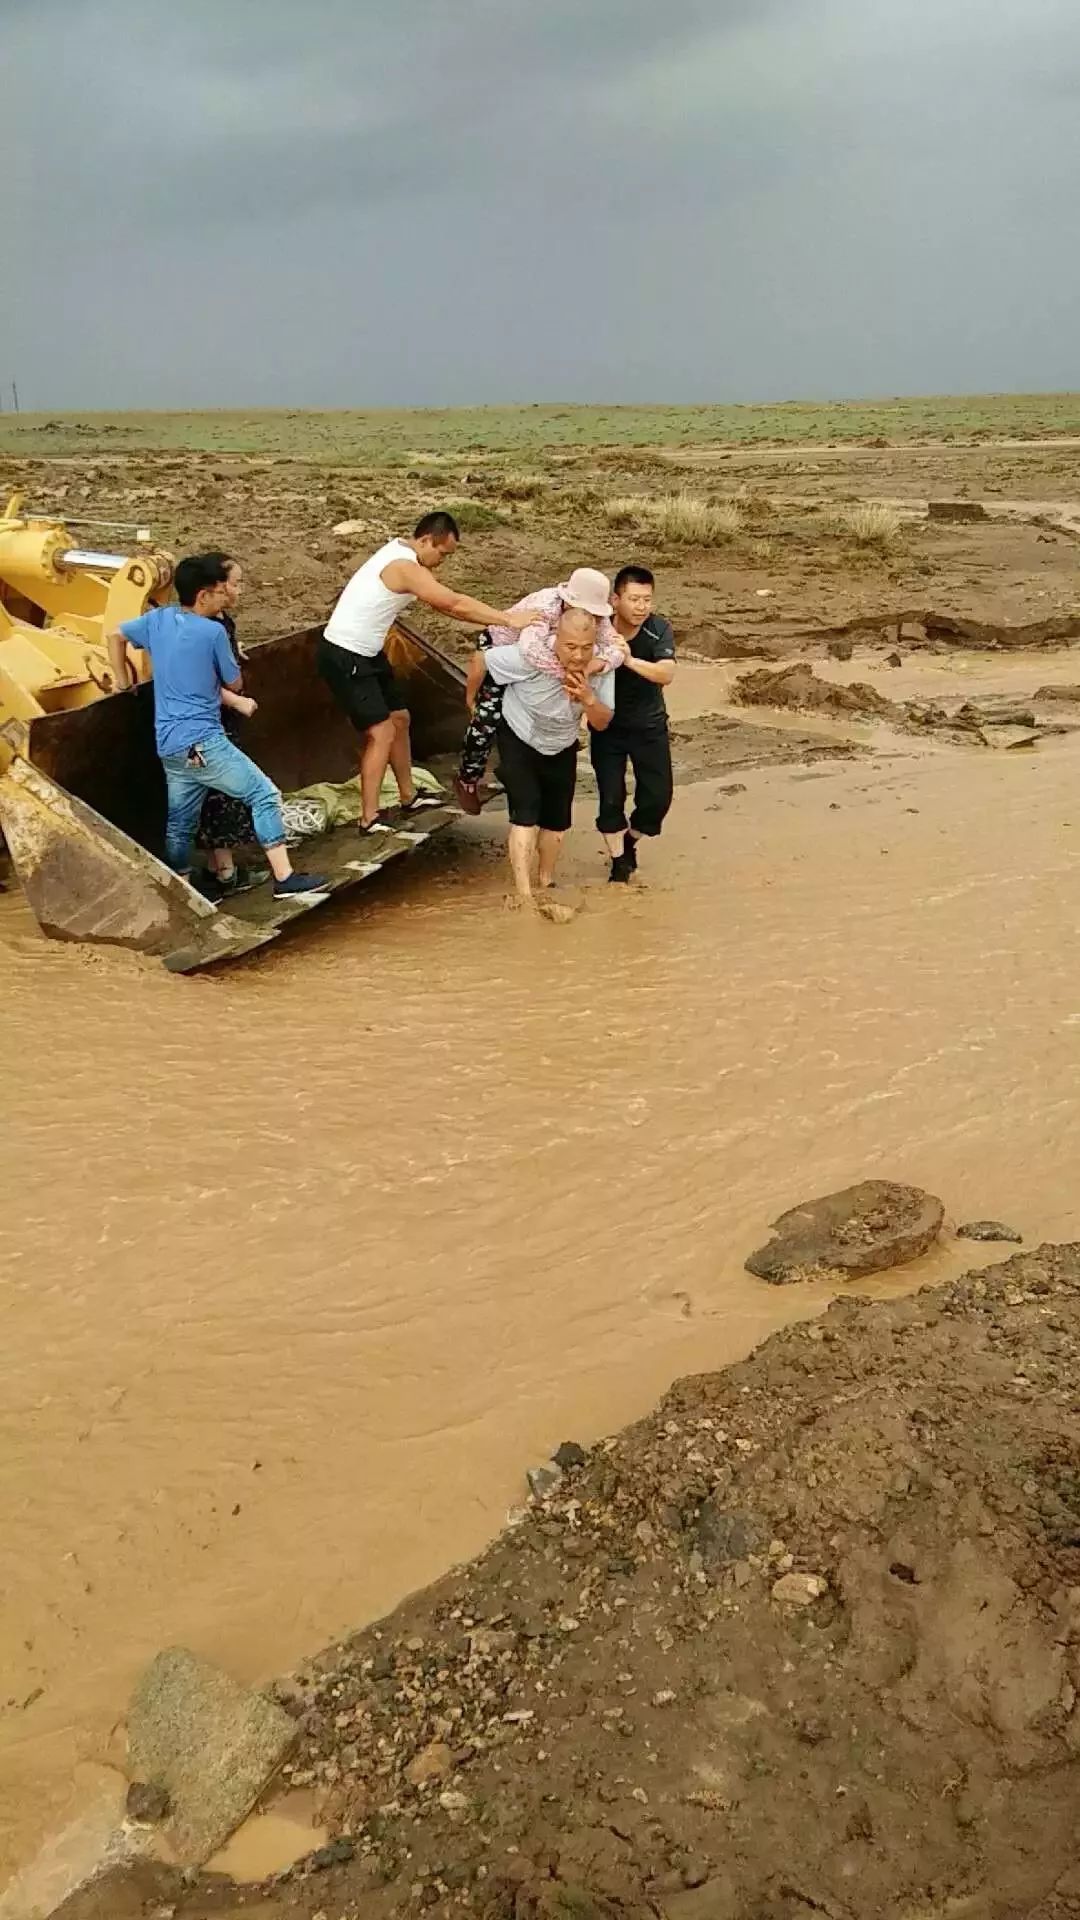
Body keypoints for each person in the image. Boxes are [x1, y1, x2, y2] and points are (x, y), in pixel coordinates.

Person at [107, 552, 327, 902]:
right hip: (204, 741)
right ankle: (285, 878)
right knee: (264, 794)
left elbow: (115, 635)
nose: (229, 595)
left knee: (180, 823)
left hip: (169, 743)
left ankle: (180, 888)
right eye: (224, 590)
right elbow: (235, 683)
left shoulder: (158, 620)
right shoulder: (211, 633)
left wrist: (121, 680)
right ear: (205, 594)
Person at [318, 511, 539, 836]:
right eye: (442, 553)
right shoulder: (403, 566)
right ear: (424, 540)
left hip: (369, 651)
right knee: (380, 732)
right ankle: (369, 819)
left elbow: (441, 601)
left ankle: (409, 797)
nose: (442, 560)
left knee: (400, 718)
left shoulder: (405, 554)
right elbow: (451, 603)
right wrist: (507, 619)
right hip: (345, 653)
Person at [452, 567, 622, 814]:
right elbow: (531, 651)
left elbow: (618, 648)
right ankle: (468, 778)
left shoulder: (594, 618)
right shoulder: (544, 609)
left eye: (595, 614)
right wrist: (571, 672)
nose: (591, 618)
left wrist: (599, 663)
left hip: (553, 649)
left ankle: (509, 766)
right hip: (504, 641)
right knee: (486, 717)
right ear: (567, 602)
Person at [479, 607, 616, 904]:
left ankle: (546, 880)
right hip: (519, 734)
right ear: (557, 639)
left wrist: (588, 698)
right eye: (570, 647)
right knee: (525, 812)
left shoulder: (602, 667)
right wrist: (471, 702)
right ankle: (524, 892)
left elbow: (602, 722)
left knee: (557, 821)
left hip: (562, 742)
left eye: (585, 647)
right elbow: (482, 660)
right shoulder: (529, 656)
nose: (578, 656)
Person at [590, 565, 676, 884]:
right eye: (634, 599)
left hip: (649, 726)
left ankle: (629, 841)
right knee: (611, 797)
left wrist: (629, 661)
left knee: (657, 799)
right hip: (606, 727)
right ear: (615, 599)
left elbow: (666, 673)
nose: (641, 607)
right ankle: (618, 864)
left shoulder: (658, 630)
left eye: (647, 600)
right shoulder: (598, 629)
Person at [193, 555, 264, 898]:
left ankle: (218, 867)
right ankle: (225, 872)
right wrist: (234, 699)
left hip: (225, 717)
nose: (239, 590)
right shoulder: (200, 629)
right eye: (235, 584)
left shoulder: (221, 622)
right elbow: (201, 678)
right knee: (218, 791)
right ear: (215, 588)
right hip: (211, 718)